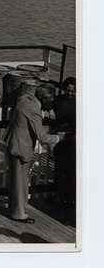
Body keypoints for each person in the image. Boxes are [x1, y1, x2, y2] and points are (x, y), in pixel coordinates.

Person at [2, 82, 64, 223]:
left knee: (15, 180)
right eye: (51, 99)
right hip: (21, 147)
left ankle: (15, 209)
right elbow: (42, 137)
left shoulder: (24, 99)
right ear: (44, 98)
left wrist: (48, 109)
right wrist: (58, 138)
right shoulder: (34, 110)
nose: (52, 102)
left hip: (12, 143)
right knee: (21, 182)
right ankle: (18, 214)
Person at [52, 77, 76, 209]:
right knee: (60, 168)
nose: (70, 94)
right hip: (61, 139)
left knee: (72, 171)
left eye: (73, 91)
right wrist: (49, 109)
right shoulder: (58, 100)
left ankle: (69, 199)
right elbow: (48, 103)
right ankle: (58, 196)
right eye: (67, 90)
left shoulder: (80, 102)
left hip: (74, 140)